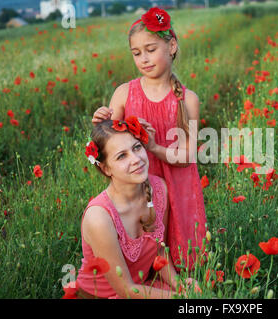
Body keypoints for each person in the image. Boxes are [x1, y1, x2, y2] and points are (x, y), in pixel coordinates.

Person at [92, 7, 207, 271]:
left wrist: (154, 147)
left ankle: (184, 288)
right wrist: (102, 121)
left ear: (172, 46)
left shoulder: (187, 100)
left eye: (151, 49)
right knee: (145, 251)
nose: (144, 58)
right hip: (138, 183)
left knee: (179, 247)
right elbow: (109, 139)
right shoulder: (124, 94)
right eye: (136, 53)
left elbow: (188, 155)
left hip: (177, 185)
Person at [76, 117, 182, 299]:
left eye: (136, 147)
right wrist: (182, 299)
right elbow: (125, 289)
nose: (136, 159)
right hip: (108, 294)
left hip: (140, 287)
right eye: (122, 156)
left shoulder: (159, 189)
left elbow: (160, 250)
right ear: (106, 169)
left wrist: (180, 287)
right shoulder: (99, 218)